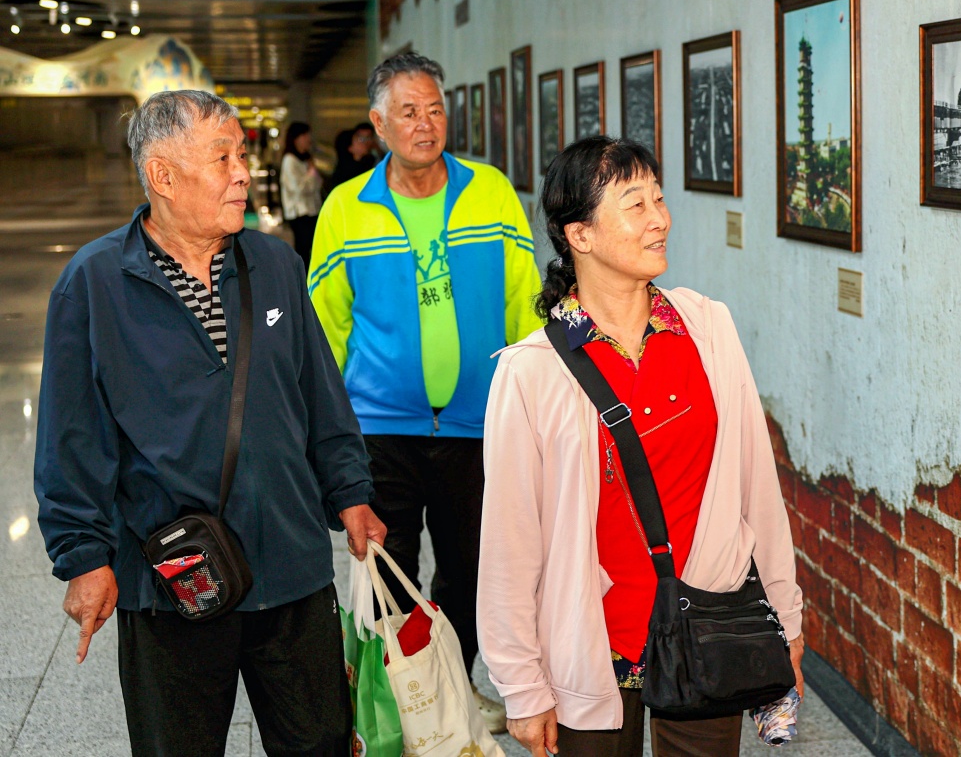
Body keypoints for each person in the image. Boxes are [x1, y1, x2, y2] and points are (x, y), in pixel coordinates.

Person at [34, 89, 385, 757]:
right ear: (162, 176)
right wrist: (84, 558)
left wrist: (350, 489)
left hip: (291, 567)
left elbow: (319, 390)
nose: (241, 172)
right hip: (174, 577)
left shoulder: (274, 264)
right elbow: (70, 438)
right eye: (221, 156)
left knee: (321, 741)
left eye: (241, 154)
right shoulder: (95, 284)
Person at [477, 137, 806, 757]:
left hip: (709, 625)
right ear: (581, 234)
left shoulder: (707, 329)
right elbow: (510, 542)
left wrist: (784, 616)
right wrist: (521, 685)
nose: (661, 219)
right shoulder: (533, 372)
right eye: (635, 205)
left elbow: (757, 487)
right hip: (591, 643)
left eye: (659, 198)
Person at [308, 52, 542, 733]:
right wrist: (331, 436)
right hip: (380, 430)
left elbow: (523, 303)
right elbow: (325, 331)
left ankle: (455, 689)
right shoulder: (345, 210)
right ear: (378, 124)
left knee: (471, 573)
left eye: (435, 108)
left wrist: (528, 404)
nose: (425, 123)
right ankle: (401, 702)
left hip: (477, 424)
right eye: (408, 111)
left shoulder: (490, 191)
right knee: (390, 572)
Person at [279, 120, 322, 271]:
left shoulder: (306, 158)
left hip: (312, 210)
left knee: (310, 249)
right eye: (305, 135)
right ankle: (302, 282)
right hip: (299, 212)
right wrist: (311, 175)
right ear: (296, 138)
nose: (308, 139)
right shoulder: (290, 160)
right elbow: (298, 189)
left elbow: (318, 184)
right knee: (303, 250)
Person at [326, 120, 378, 194]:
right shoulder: (345, 174)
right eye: (360, 139)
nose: (365, 142)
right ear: (350, 148)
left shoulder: (368, 163)